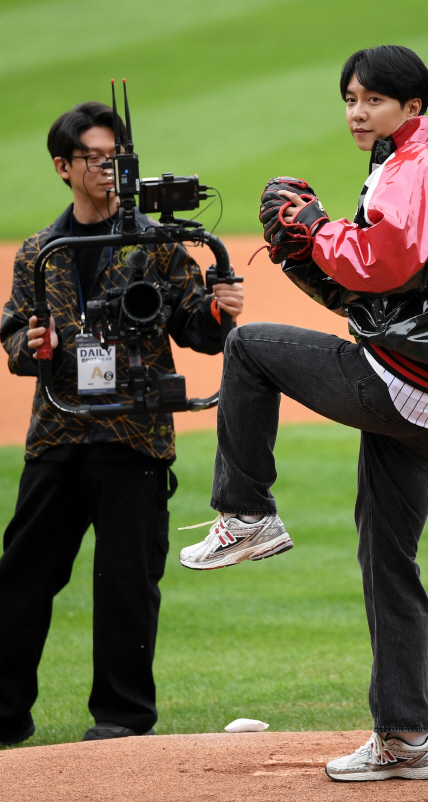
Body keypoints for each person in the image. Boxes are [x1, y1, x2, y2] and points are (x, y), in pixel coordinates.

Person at [180, 45, 428, 781]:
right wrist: (303, 255)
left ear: (411, 108)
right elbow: (374, 294)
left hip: (399, 382)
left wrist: (316, 226)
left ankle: (248, 513)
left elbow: (379, 264)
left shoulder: (416, 171)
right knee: (390, 564)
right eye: (350, 98)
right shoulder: (404, 166)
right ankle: (407, 740)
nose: (358, 111)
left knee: (249, 349)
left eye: (373, 100)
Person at [0, 101, 244, 745]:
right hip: (57, 437)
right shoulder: (40, 252)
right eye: (94, 159)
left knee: (126, 585)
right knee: (21, 579)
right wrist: (34, 346)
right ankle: (2, 714)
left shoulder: (155, 245)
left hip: (134, 435)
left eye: (116, 158)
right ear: (63, 167)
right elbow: (14, 341)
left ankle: (123, 718)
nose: (109, 169)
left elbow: (199, 331)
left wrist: (221, 311)